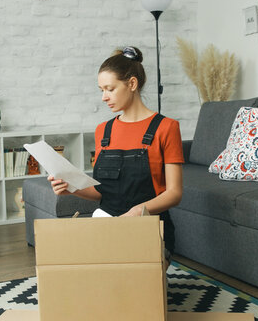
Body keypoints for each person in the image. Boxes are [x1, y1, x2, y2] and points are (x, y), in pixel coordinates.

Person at [48, 46, 184, 263]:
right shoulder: (104, 130)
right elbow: (103, 192)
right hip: (107, 229)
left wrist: (137, 211)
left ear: (132, 84)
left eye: (110, 89)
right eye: (101, 89)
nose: (104, 97)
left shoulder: (166, 128)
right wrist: (70, 188)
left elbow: (174, 193)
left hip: (150, 232)